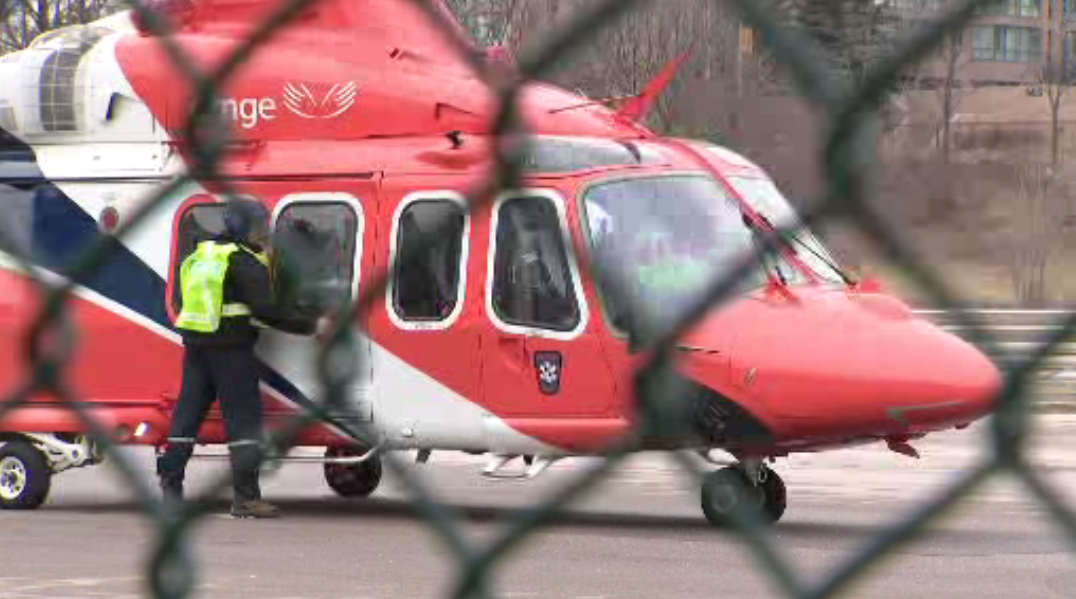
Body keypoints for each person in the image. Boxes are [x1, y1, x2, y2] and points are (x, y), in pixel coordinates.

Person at [157, 198, 330, 519]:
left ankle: (170, 492)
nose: (263, 233)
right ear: (242, 227)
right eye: (259, 226)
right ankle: (246, 498)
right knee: (244, 421)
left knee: (186, 419)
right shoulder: (244, 261)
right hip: (231, 349)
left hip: (197, 347)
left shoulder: (199, 254)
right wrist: (311, 324)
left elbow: (183, 301)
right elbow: (266, 309)